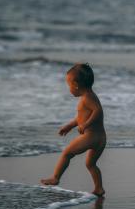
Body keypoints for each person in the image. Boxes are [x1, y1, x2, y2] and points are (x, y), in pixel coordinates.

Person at [41, 63, 106, 197]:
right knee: (91, 164)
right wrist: (70, 126)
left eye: (69, 85)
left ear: (76, 84)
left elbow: (98, 111)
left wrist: (85, 125)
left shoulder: (87, 98)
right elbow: (80, 117)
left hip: (90, 137)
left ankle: (55, 177)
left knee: (67, 153)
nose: (69, 88)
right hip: (101, 138)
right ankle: (99, 188)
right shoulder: (90, 96)